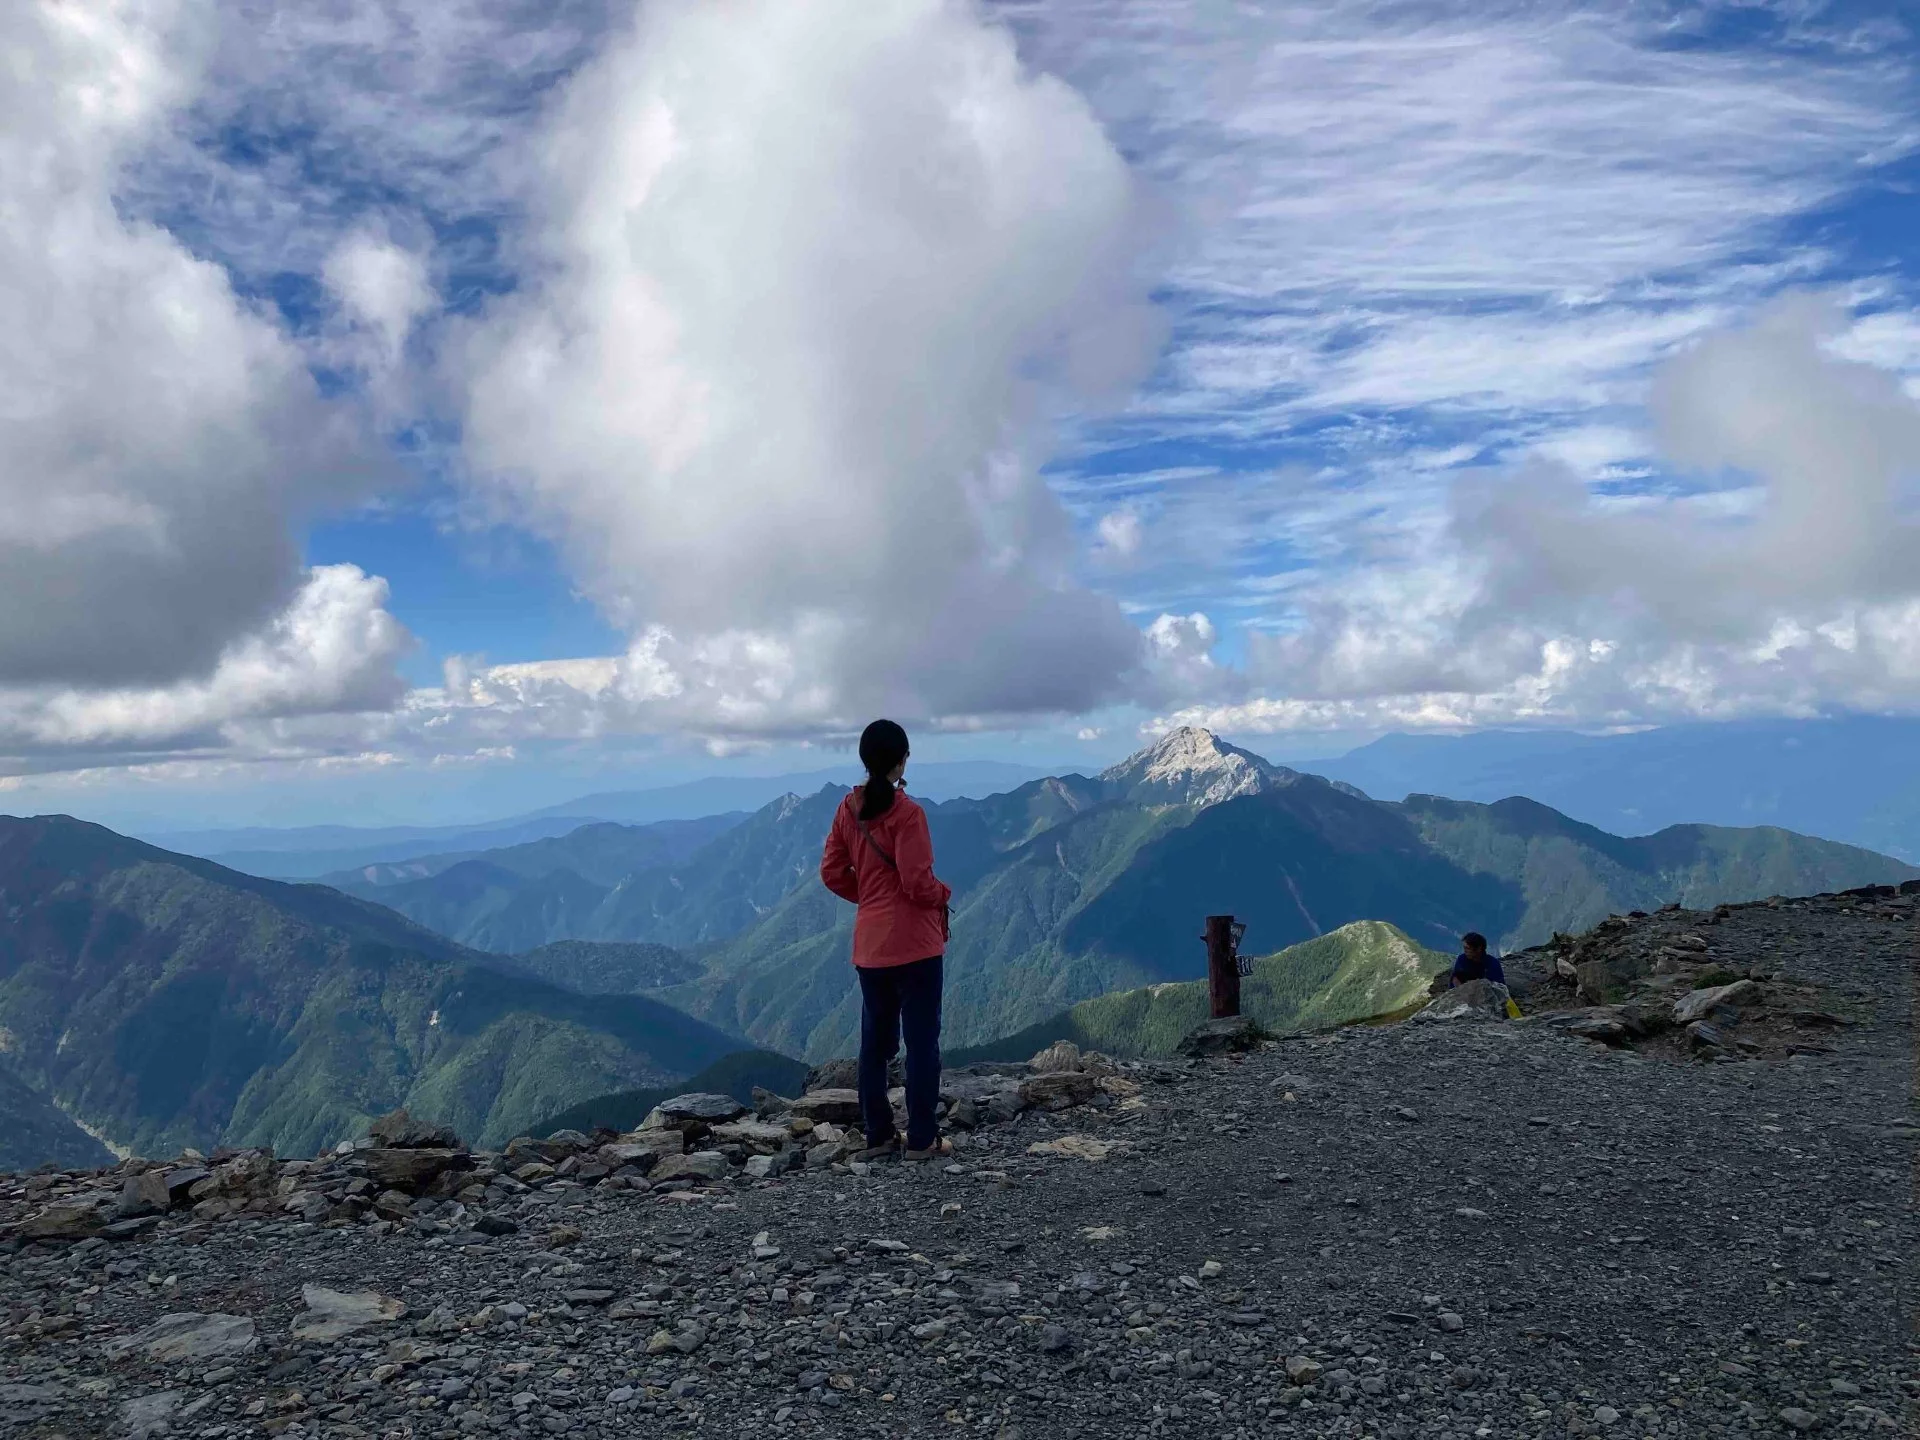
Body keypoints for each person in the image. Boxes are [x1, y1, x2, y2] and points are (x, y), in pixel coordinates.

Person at [819, 719, 952, 1162]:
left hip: (871, 948)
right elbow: (917, 883)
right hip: (916, 946)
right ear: (901, 761)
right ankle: (921, 1141)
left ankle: (877, 1135)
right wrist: (944, 895)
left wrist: (870, 899)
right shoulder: (909, 813)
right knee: (921, 1043)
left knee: (874, 1045)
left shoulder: (846, 809)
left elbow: (831, 872)